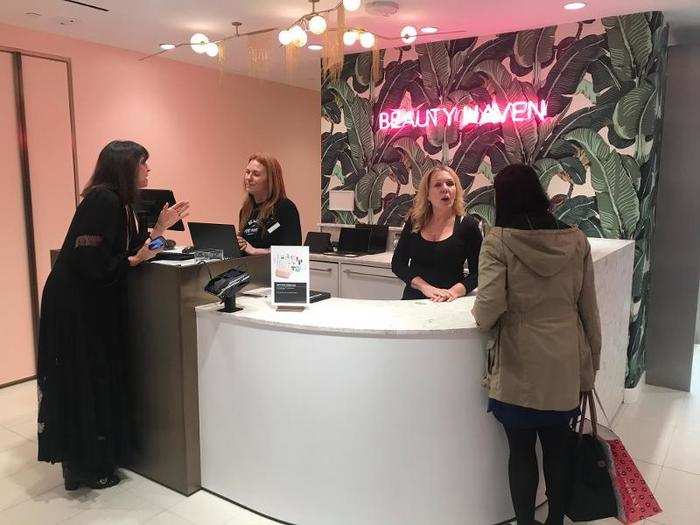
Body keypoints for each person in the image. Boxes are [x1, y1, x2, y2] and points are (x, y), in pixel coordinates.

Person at [37, 140, 190, 490]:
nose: (148, 170)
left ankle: (96, 458)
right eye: (143, 164)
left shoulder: (120, 204)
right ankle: (85, 466)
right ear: (126, 167)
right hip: (75, 305)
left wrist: (159, 230)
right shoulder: (103, 200)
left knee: (95, 376)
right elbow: (92, 259)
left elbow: (129, 250)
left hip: (89, 302)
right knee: (84, 379)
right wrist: (134, 261)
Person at [472, 164, 601, 525]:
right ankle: (555, 521)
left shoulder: (498, 241)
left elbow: (488, 310)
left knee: (521, 453)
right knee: (558, 450)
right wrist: (592, 363)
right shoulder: (576, 240)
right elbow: (588, 308)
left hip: (518, 365)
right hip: (565, 362)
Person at [391, 165, 482, 301]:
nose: (445, 188)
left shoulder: (468, 225)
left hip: (450, 301)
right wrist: (425, 287)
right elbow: (398, 264)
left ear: (456, 191)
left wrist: (454, 292)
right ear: (427, 194)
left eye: (450, 184)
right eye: (437, 185)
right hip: (413, 301)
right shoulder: (415, 221)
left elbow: (479, 273)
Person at [236, 153, 302, 255]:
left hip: (274, 270)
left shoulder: (285, 208)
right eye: (247, 172)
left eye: (256, 174)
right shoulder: (246, 210)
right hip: (249, 268)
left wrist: (255, 251)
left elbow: (293, 251)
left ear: (270, 180)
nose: (248, 178)